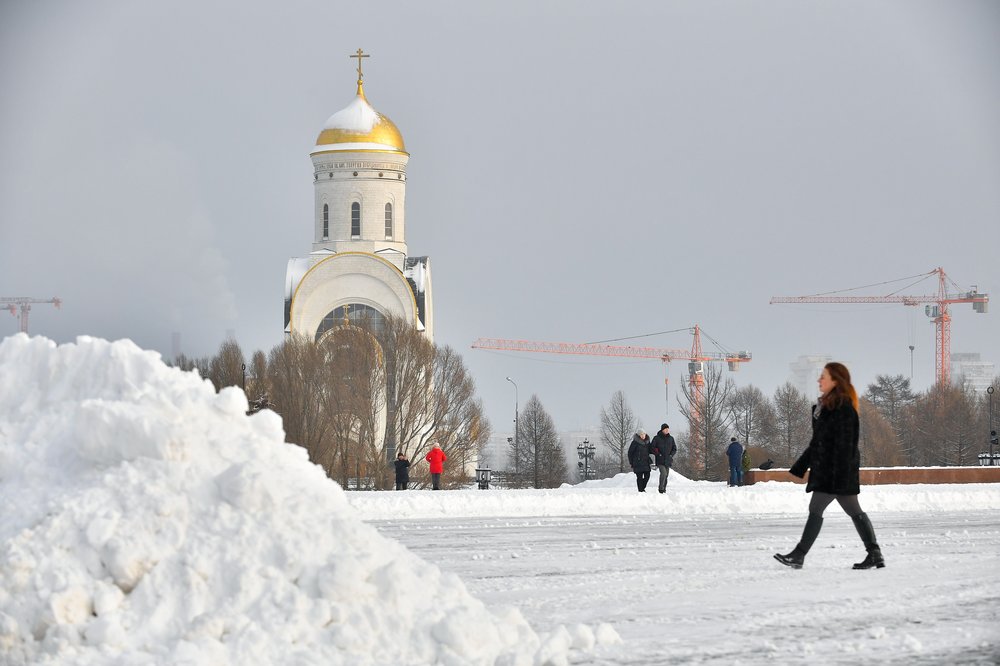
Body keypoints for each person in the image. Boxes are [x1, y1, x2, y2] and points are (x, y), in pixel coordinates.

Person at [774, 362, 886, 570]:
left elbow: (846, 445)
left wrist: (836, 474)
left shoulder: (843, 409)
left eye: (823, 377)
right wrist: (799, 468)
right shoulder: (826, 408)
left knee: (816, 508)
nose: (819, 380)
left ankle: (799, 555)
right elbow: (818, 443)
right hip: (836, 472)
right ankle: (874, 553)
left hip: (836, 473)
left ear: (836, 381)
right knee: (854, 511)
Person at [650, 424, 677, 493]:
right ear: (662, 430)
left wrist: (671, 455)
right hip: (660, 460)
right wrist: (658, 454)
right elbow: (652, 447)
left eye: (668, 429)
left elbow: (674, 448)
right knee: (663, 473)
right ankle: (661, 489)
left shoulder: (671, 438)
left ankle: (664, 489)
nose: (667, 430)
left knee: (666, 475)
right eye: (665, 429)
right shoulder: (656, 438)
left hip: (668, 460)